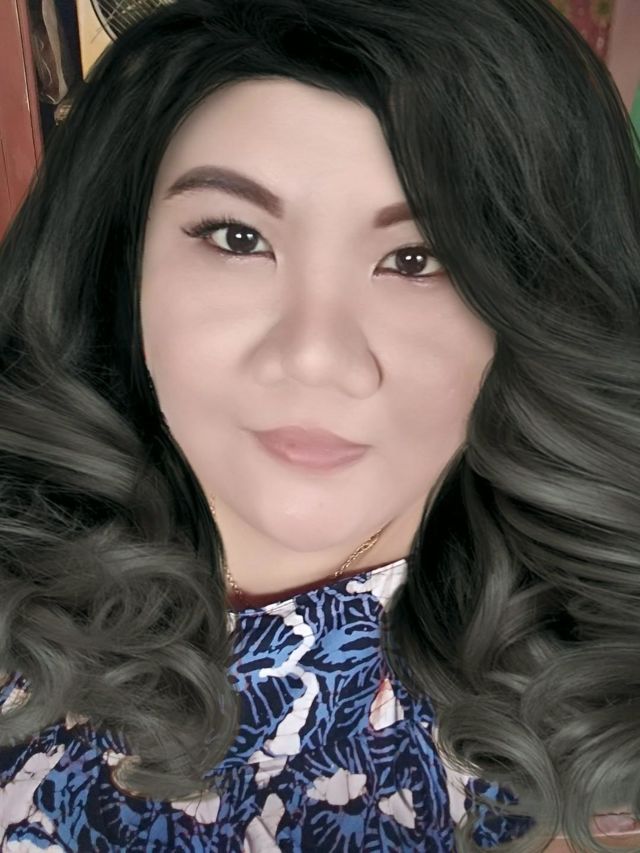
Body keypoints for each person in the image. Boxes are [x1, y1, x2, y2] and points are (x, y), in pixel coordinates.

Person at [0, 0, 639, 849]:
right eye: (237, 237)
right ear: (125, 259)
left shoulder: (593, 727)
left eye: (417, 259)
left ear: (538, 304)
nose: (314, 355)